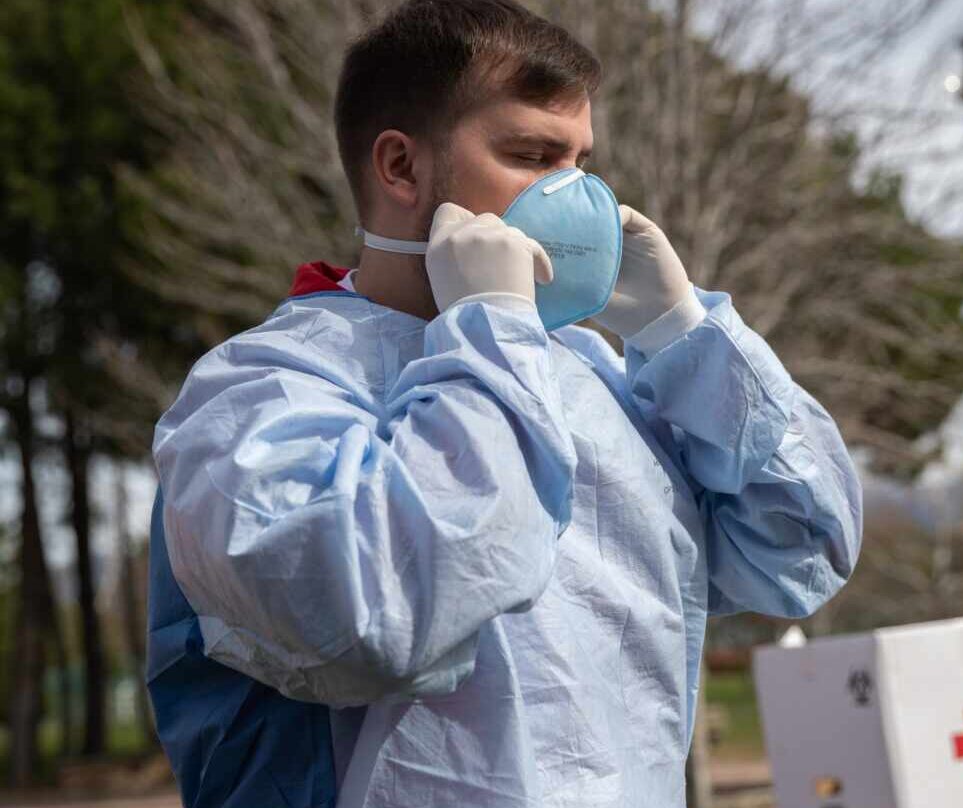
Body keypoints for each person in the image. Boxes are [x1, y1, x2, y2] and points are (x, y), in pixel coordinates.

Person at [147, 2, 862, 806]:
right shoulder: (257, 392)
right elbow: (376, 619)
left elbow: (803, 548)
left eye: (583, 162)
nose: (577, 195)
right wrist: (490, 334)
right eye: (532, 155)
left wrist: (689, 342)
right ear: (401, 169)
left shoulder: (593, 375)